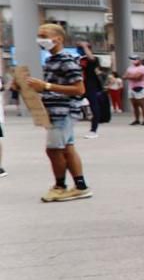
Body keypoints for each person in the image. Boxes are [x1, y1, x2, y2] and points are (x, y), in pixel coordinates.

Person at [18, 23, 92, 201]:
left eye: (43, 35)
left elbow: (79, 89)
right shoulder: (51, 59)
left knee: (53, 150)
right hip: (56, 110)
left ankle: (60, 186)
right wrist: (37, 88)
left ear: (58, 38)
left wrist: (46, 86)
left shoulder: (66, 59)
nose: (40, 39)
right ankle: (80, 186)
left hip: (62, 111)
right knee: (67, 148)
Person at [77, 40, 103, 139]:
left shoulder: (94, 59)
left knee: (94, 107)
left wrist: (85, 47)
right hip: (79, 85)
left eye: (81, 47)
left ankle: (93, 130)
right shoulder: (77, 59)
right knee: (71, 103)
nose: (80, 49)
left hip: (90, 86)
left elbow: (91, 59)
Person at [124, 55, 144, 125]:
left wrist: (129, 76)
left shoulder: (143, 68)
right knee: (134, 105)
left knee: (142, 105)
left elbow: (138, 78)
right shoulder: (130, 68)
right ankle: (137, 119)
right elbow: (124, 76)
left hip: (140, 88)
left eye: (135, 59)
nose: (133, 60)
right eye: (132, 59)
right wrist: (131, 76)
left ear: (139, 60)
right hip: (131, 88)